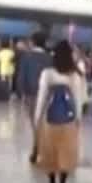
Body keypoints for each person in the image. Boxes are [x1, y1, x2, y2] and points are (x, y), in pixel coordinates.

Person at [33, 40, 89, 183]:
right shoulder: (74, 75)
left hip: (49, 120)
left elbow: (42, 97)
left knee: (49, 152)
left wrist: (37, 118)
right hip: (68, 121)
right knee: (66, 153)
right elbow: (78, 99)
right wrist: (78, 118)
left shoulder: (47, 73)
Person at [16, 32, 53, 164]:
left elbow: (22, 75)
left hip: (31, 94)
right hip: (47, 94)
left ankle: (37, 150)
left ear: (33, 42)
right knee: (43, 122)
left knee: (35, 123)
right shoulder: (49, 58)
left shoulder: (27, 57)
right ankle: (41, 149)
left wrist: (20, 92)